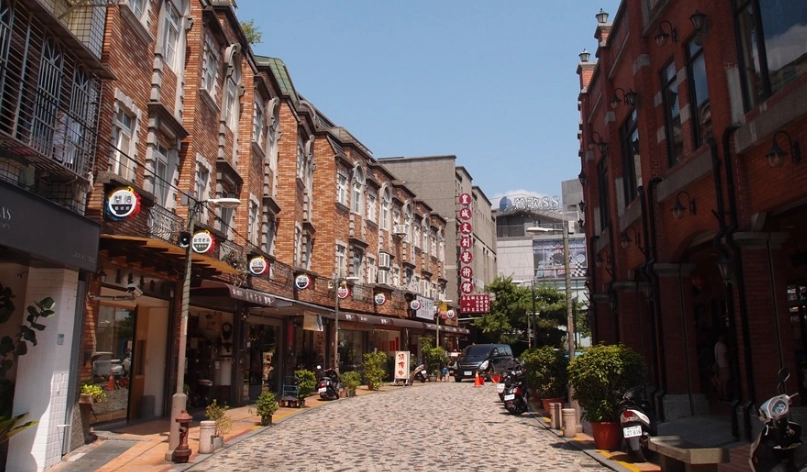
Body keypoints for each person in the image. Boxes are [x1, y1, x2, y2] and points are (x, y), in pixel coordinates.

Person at [713, 333, 730, 400]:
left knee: (721, 381)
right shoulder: (723, 346)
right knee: (725, 381)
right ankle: (725, 396)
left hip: (719, 364)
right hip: (724, 364)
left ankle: (720, 395)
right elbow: (725, 355)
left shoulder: (716, 345)